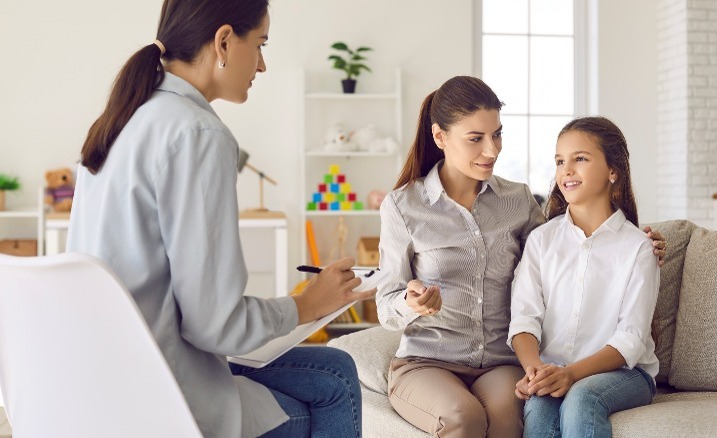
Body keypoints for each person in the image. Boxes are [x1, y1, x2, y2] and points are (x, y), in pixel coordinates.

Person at [66, 1, 373, 437]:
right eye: (260, 44)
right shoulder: (197, 133)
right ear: (224, 41)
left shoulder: (120, 120)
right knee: (338, 385)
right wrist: (306, 304)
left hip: (107, 377)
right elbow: (215, 326)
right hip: (166, 394)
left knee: (334, 367)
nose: (262, 64)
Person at [376, 77, 666, 438]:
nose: (492, 150)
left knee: (510, 416)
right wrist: (411, 301)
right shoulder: (404, 206)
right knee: (463, 417)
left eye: (497, 134)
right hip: (428, 359)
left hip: (499, 362)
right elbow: (385, 303)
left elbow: (570, 248)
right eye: (476, 139)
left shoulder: (517, 201)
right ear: (440, 138)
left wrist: (639, 242)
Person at [508, 116, 659, 438]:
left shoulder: (637, 248)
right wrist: (536, 372)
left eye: (580, 159)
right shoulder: (541, 241)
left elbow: (630, 339)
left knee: (581, 397)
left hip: (625, 374)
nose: (566, 170)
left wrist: (571, 374)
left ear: (613, 171)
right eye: (560, 161)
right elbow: (524, 318)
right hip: (552, 369)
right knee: (540, 404)